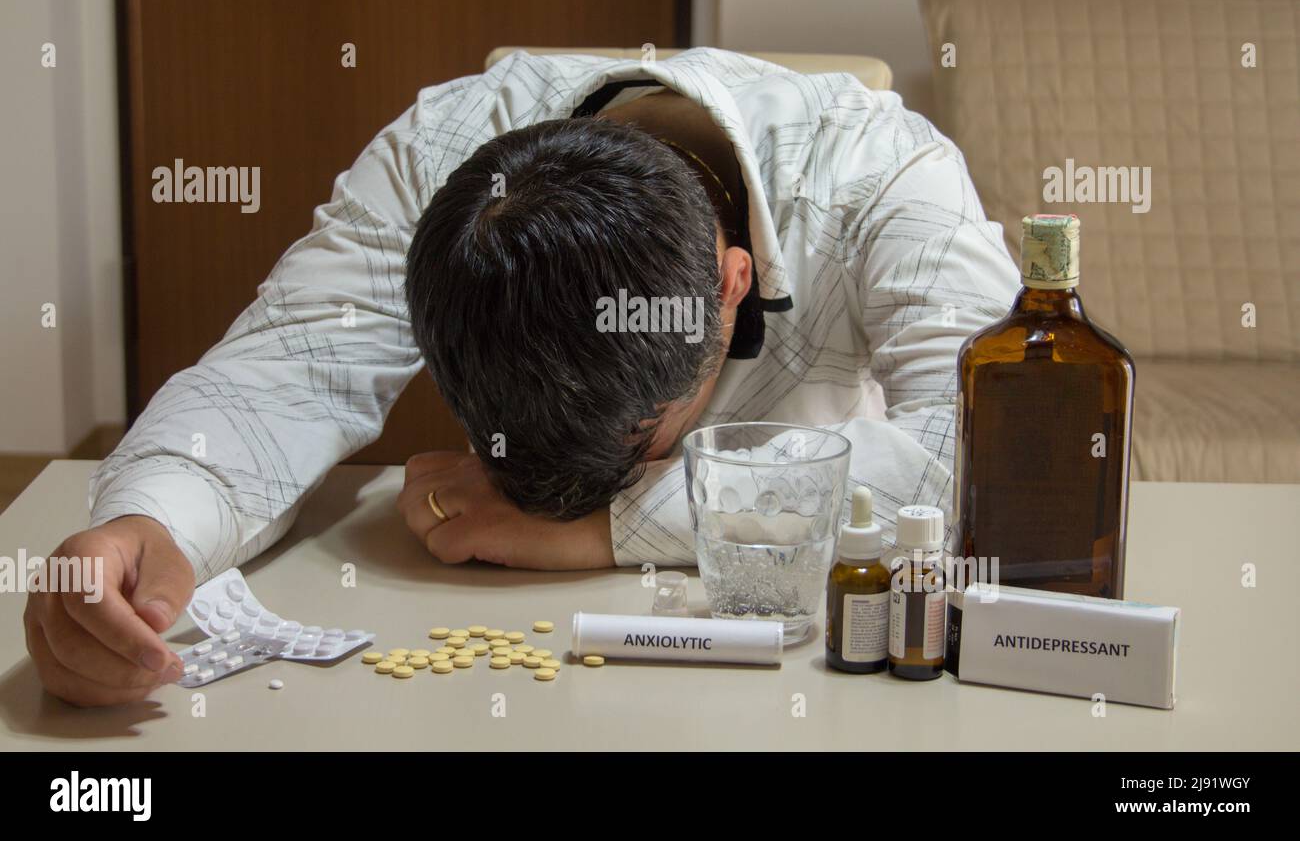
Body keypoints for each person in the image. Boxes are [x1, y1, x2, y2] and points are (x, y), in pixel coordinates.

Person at [24, 48, 1019, 705]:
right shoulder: (440, 153)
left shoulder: (886, 175)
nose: (561, 495)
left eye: (639, 437)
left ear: (729, 289)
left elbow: (986, 458)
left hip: (802, 665)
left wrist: (606, 528)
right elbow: (287, 369)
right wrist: (150, 524)